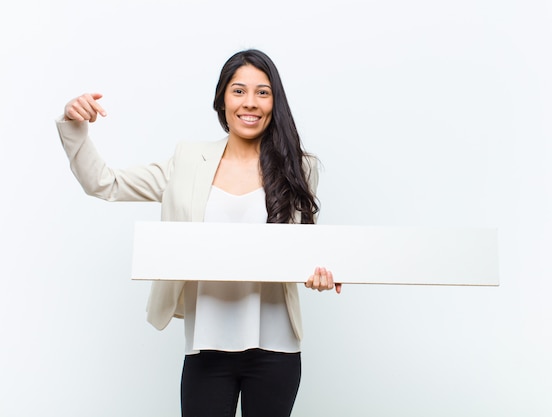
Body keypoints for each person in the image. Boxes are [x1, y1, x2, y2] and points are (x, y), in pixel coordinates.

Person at [56, 49, 341, 417]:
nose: (250, 103)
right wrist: (73, 125)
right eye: (238, 91)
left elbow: (303, 251)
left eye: (262, 92)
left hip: (277, 346)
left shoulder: (299, 167)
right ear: (222, 99)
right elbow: (104, 183)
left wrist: (319, 275)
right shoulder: (188, 160)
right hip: (207, 346)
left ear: (275, 102)